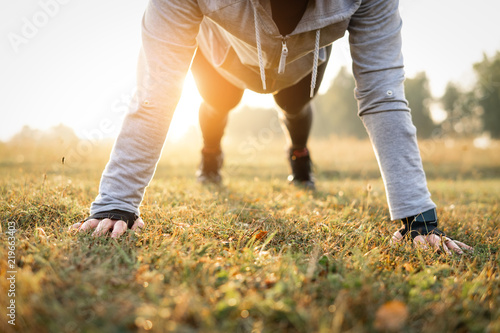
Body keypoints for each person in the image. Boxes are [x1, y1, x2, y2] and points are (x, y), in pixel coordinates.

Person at [69, 0, 472, 254]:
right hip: (221, 53)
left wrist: (416, 217)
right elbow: (155, 91)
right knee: (218, 101)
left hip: (300, 62)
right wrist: (116, 201)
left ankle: (300, 158)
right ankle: (210, 158)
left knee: (293, 104)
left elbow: (383, 97)